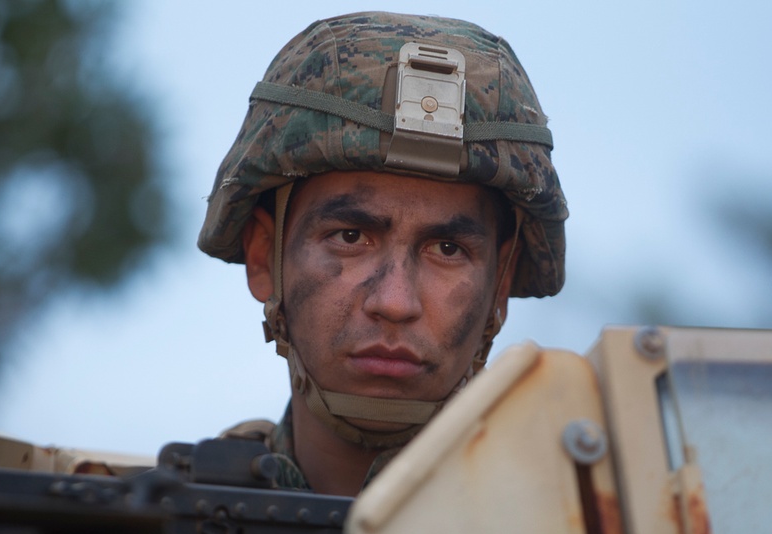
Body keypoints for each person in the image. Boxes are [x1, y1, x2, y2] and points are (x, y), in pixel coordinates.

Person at [198, 12, 568, 496]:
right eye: (350, 237)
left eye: (448, 249)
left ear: (499, 285)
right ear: (265, 257)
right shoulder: (145, 529)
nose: (394, 302)